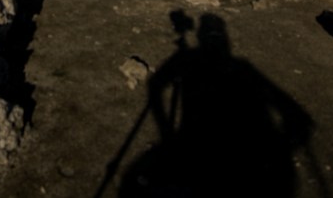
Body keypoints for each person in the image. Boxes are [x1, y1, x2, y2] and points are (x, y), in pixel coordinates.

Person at [119, 11, 313, 197]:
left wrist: (166, 132)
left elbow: (156, 84)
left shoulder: (229, 65)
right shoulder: (242, 68)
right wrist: (278, 148)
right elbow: (300, 119)